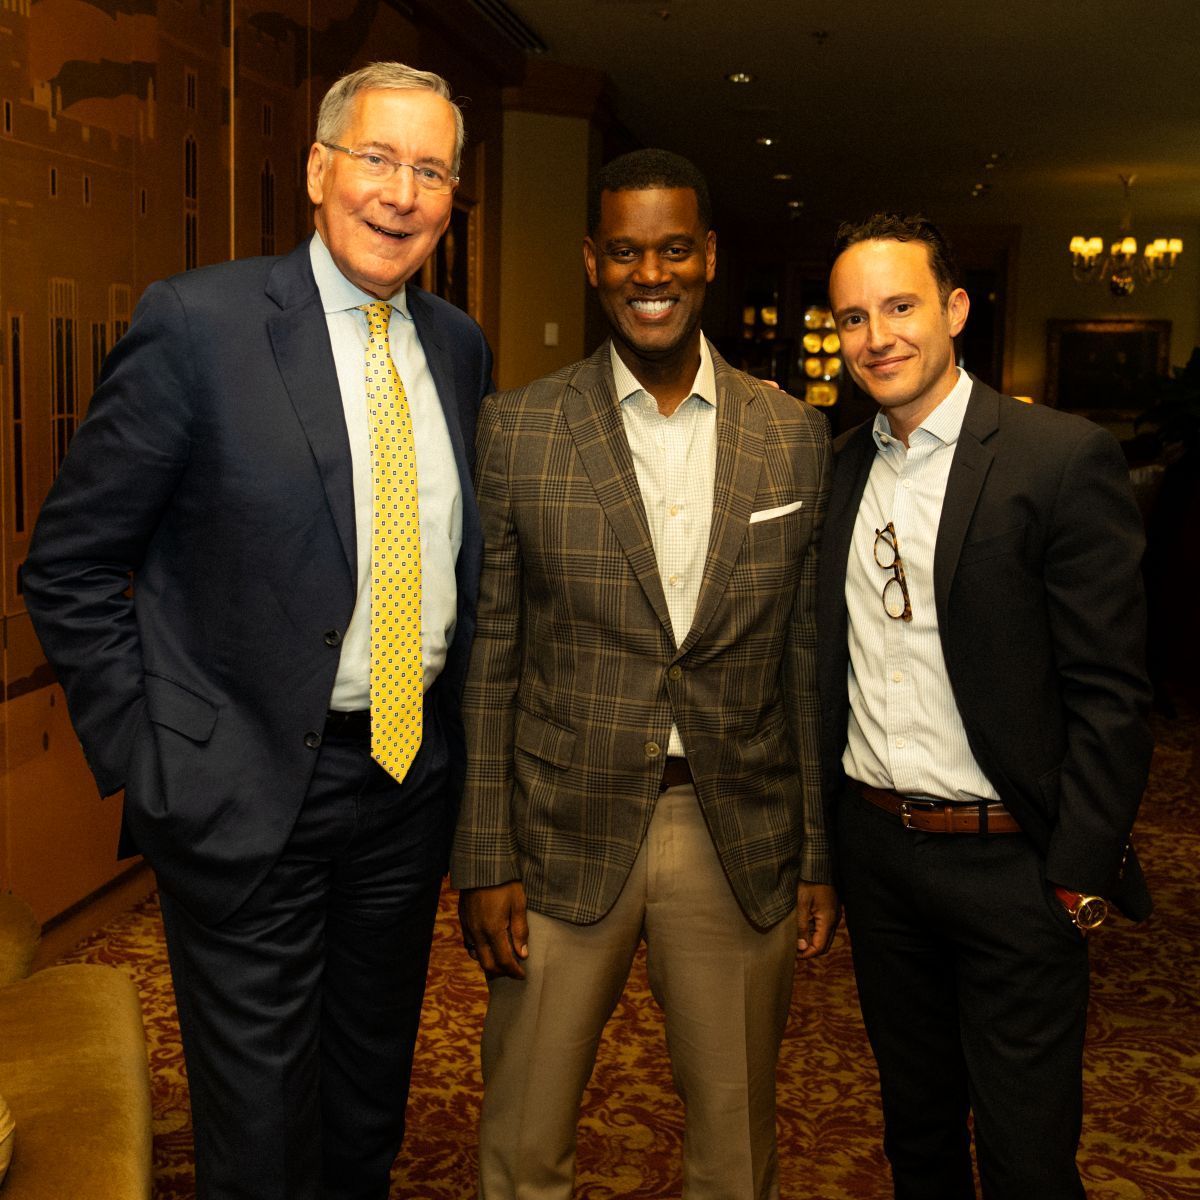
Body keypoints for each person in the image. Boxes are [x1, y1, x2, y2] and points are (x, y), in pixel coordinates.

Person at [22, 62, 492, 1200]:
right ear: (321, 171)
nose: (403, 192)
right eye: (379, 159)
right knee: (260, 1131)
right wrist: (154, 758)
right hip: (237, 791)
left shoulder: (460, 347)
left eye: (431, 171)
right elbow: (72, 564)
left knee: (369, 1092)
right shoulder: (200, 323)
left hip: (403, 780)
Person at [451, 148, 837, 1199]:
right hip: (559, 832)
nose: (649, 273)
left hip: (736, 832)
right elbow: (493, 656)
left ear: (707, 256)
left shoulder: (794, 436)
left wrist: (814, 851)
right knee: (523, 1147)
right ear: (591, 261)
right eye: (625, 252)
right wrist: (484, 853)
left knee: (734, 1153)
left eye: (672, 249)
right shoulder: (520, 429)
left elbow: (802, 656)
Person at [816, 213, 1153, 1200]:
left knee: (1025, 1158)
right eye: (850, 318)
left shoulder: (1057, 458)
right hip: (881, 858)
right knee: (916, 1137)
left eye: (900, 306)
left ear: (955, 310)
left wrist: (1076, 873)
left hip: (1014, 865)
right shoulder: (839, 469)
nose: (876, 336)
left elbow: (1112, 693)